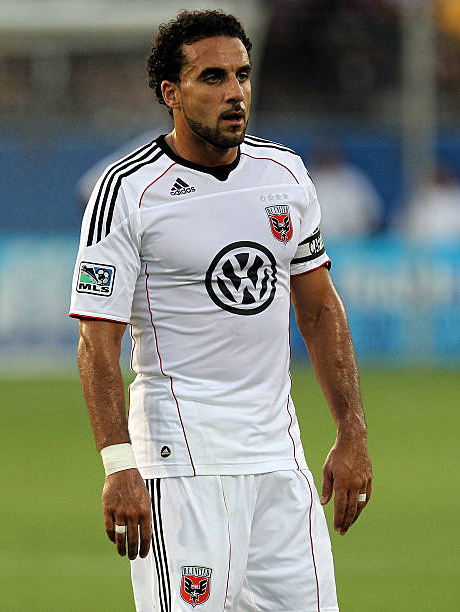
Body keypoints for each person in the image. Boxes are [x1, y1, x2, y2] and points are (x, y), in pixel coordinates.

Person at [69, 10, 372, 612]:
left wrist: (352, 431)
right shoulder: (129, 191)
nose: (235, 92)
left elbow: (317, 309)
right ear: (171, 93)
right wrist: (117, 465)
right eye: (213, 77)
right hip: (182, 467)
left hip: (279, 463)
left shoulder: (283, 174)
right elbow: (96, 342)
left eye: (242, 75)